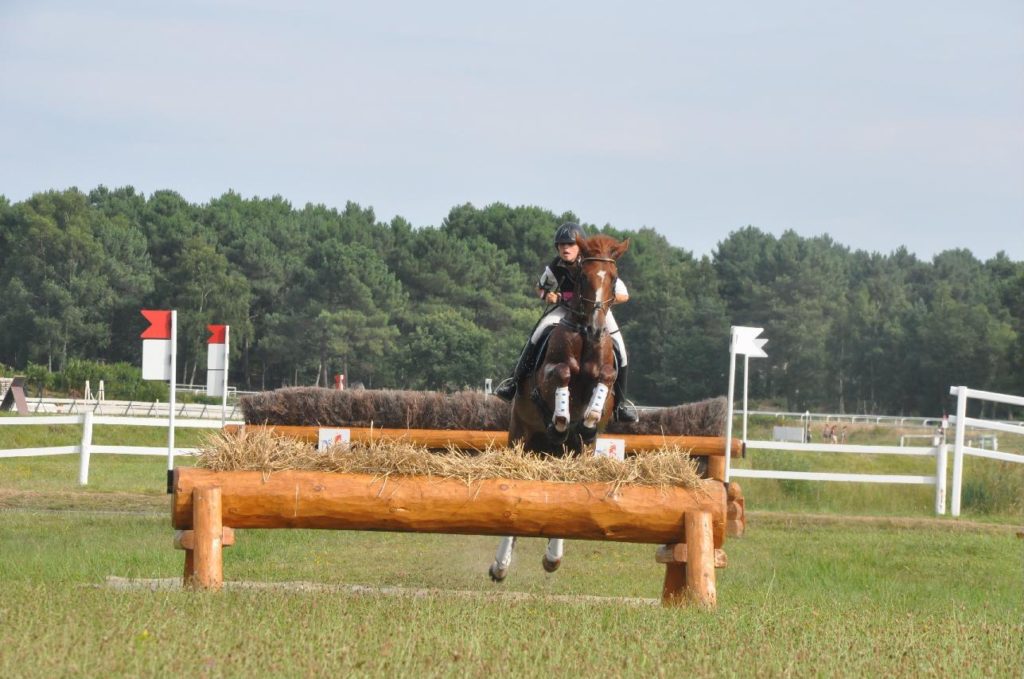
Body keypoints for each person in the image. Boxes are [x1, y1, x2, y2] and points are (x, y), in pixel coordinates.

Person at [494, 222, 638, 422]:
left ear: (580, 247)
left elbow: (623, 295)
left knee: (620, 349)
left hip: (597, 312)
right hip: (566, 311)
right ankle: (514, 382)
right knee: (538, 333)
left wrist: (599, 303)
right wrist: (547, 296)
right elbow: (540, 287)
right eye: (561, 245)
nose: (565, 248)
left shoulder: (595, 263)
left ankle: (621, 403)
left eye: (570, 244)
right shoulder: (556, 266)